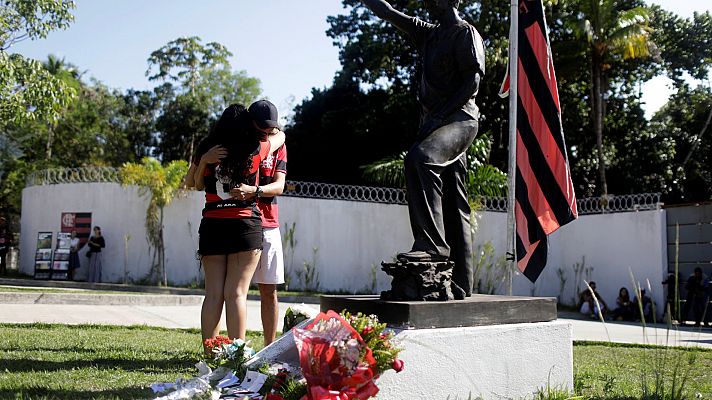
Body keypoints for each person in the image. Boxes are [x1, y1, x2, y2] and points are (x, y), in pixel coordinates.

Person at [358, 0, 485, 296]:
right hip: (436, 123)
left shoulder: (465, 34)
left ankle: (431, 246)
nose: (428, 2)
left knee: (420, 158)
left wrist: (439, 116)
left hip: (460, 120)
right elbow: (388, 12)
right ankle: (461, 281)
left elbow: (472, 83)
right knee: (455, 199)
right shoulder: (429, 34)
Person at [194, 103, 285, 348]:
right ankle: (236, 357)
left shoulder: (206, 148)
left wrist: (204, 161)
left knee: (213, 294)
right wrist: (278, 131)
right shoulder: (254, 148)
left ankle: (211, 353)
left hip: (213, 224)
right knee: (236, 294)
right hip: (244, 224)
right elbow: (279, 138)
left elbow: (194, 183)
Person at [232, 100, 287, 346]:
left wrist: (254, 190)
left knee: (269, 290)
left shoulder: (279, 144)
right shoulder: (241, 143)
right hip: (242, 221)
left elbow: (279, 185)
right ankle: (234, 347)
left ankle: (269, 347)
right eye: (262, 127)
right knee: (235, 291)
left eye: (270, 128)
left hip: (270, 224)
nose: (266, 132)